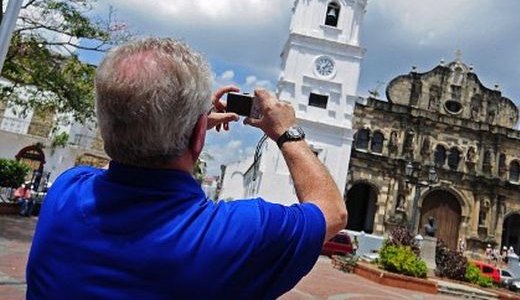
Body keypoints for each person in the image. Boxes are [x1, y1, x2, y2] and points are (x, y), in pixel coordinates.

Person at [26, 38, 347, 299]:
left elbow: (124, 153)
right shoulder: (239, 234)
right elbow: (331, 212)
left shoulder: (65, 192)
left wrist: (184, 119)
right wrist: (286, 131)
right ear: (198, 135)